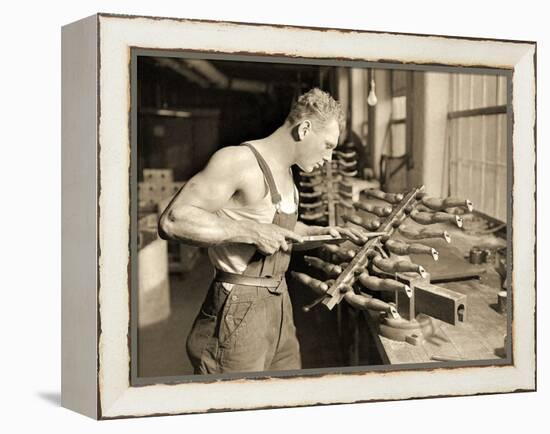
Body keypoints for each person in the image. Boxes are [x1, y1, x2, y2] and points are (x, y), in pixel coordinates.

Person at [159, 88, 365, 374]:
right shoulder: (238, 161)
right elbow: (173, 220)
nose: (329, 158)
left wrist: (325, 232)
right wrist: (252, 231)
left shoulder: (288, 173)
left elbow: (281, 229)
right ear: (304, 129)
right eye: (328, 145)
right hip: (238, 309)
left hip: (279, 303)